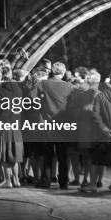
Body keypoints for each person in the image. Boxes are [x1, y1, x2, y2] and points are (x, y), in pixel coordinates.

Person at [38, 61, 73, 189]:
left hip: (47, 123)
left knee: (47, 154)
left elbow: (35, 99)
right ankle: (63, 182)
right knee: (62, 155)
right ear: (63, 73)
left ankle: (46, 180)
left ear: (52, 71)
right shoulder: (69, 86)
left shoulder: (44, 84)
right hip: (63, 124)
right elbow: (71, 106)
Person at [0, 60, 23, 188]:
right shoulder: (18, 89)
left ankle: (7, 181)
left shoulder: (0, 90)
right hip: (16, 124)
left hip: (5, 124)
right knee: (14, 155)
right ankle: (16, 180)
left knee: (5, 155)